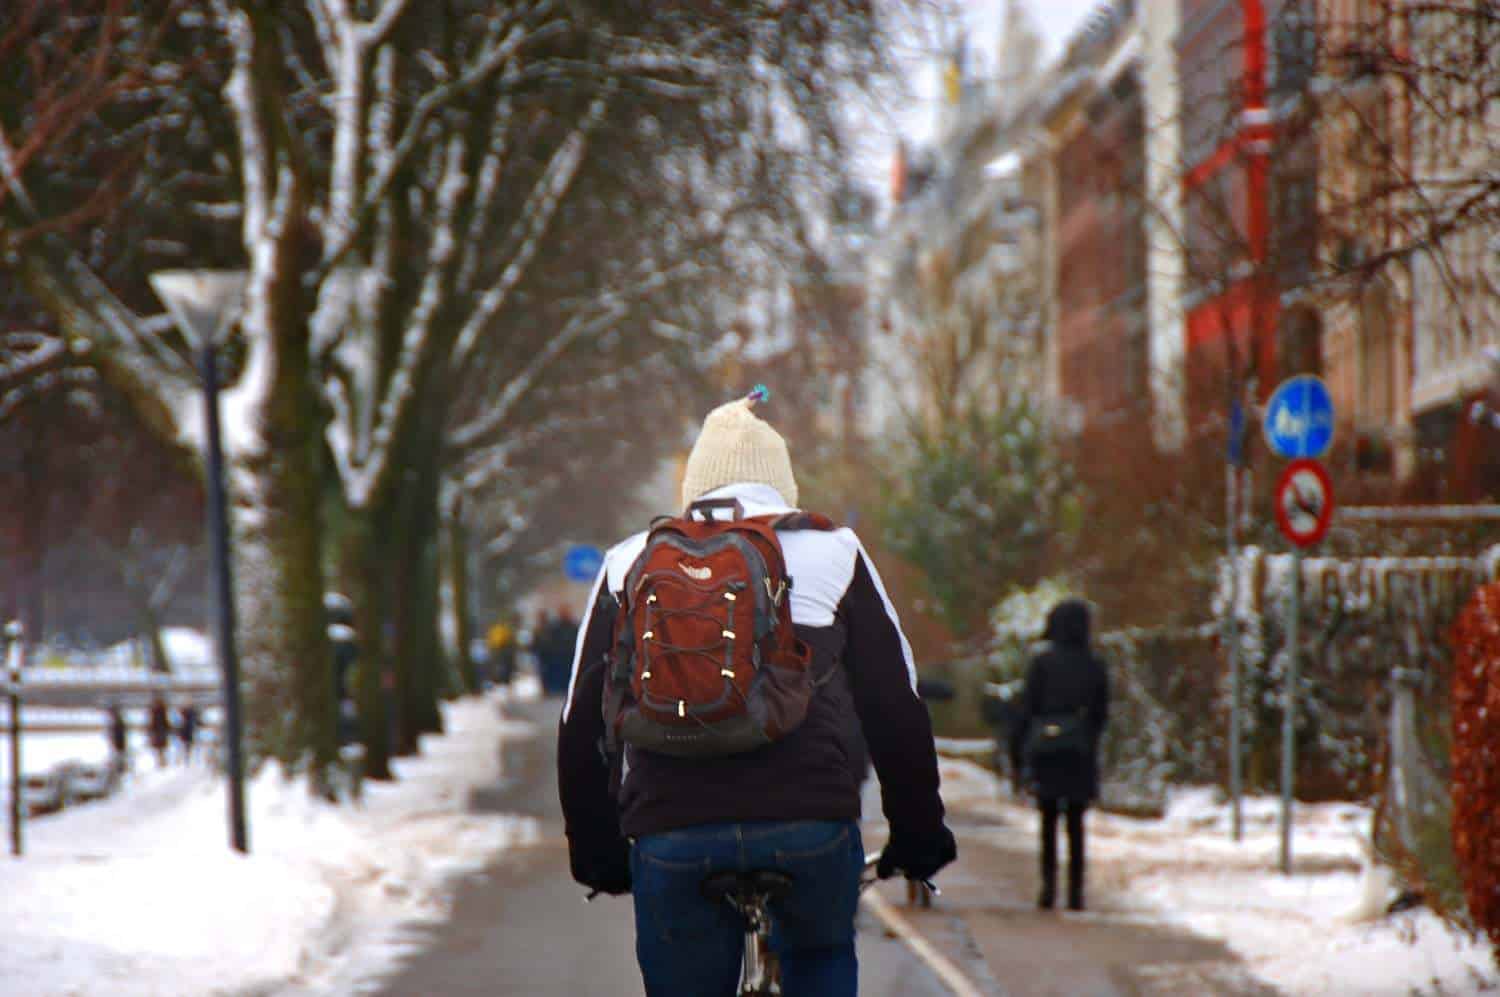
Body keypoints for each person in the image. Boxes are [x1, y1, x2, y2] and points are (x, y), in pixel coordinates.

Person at [558, 388, 956, 996]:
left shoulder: (628, 562)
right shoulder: (836, 552)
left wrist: (597, 850)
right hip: (810, 826)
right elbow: (894, 706)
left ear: (694, 487)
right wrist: (919, 834)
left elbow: (580, 723)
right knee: (820, 954)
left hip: (671, 829)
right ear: (783, 485)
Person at [1009, 599, 1110, 912]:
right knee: (1076, 823)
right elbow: (1101, 712)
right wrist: (1088, 739)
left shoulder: (1042, 662)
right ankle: (1076, 892)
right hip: (1079, 752)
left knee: (1048, 820)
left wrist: (1018, 755)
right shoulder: (1095, 664)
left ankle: (1048, 887)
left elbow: (1026, 710)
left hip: (1047, 751)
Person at [147, 696, 171, 769]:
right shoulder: (159, 711)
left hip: (160, 732)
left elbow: (153, 722)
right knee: (160, 748)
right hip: (159, 732)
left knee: (160, 748)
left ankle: (161, 761)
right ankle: (161, 761)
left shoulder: (157, 711)